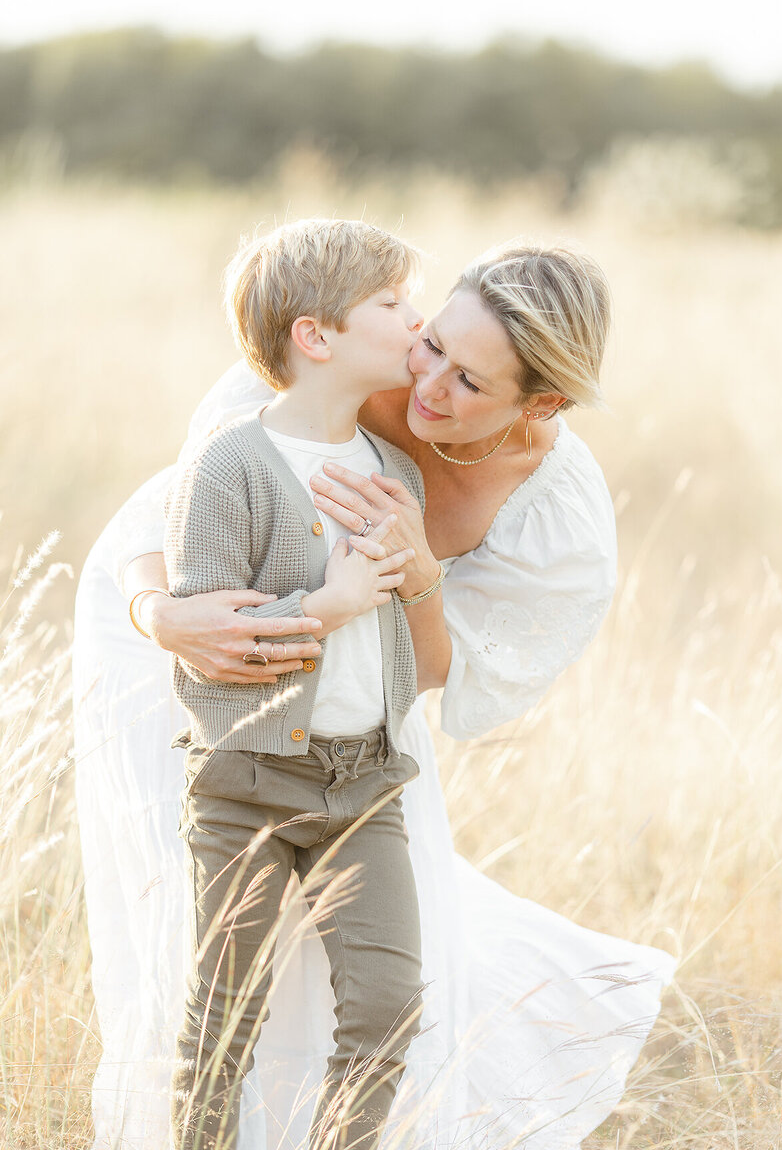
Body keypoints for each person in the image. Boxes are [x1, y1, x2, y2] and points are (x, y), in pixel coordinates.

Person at [73, 235, 677, 1150]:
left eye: (473, 384)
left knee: (389, 981)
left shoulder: (559, 520)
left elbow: (443, 674)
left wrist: (419, 565)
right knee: (226, 965)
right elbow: (170, 519)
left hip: (365, 718)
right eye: (434, 341)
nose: (430, 383)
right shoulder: (328, 373)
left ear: (540, 402)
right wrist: (160, 614)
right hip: (205, 668)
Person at [161, 218, 432, 1150]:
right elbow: (212, 640)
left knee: (389, 1009)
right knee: (225, 1017)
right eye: (393, 305)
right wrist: (331, 604)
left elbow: (412, 615)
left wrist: (410, 567)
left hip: (366, 783)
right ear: (315, 337)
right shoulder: (230, 463)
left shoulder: (392, 469)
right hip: (246, 780)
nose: (417, 322)